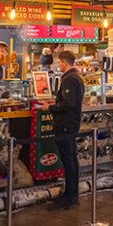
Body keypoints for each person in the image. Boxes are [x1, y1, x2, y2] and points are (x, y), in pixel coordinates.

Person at [44, 50, 83, 210]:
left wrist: (51, 107)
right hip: (72, 123)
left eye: (59, 62)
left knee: (68, 160)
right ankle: (72, 194)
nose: (58, 65)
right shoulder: (77, 78)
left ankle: (70, 196)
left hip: (66, 124)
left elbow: (69, 103)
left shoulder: (68, 79)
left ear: (65, 62)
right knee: (71, 159)